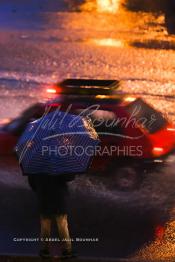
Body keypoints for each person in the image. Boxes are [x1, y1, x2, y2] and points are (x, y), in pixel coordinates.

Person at [28, 175, 75, 259]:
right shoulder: (58, 166)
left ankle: (45, 250)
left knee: (45, 227)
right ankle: (67, 250)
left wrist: (40, 189)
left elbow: (32, 183)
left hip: (44, 198)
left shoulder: (36, 167)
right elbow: (69, 177)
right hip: (59, 199)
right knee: (63, 227)